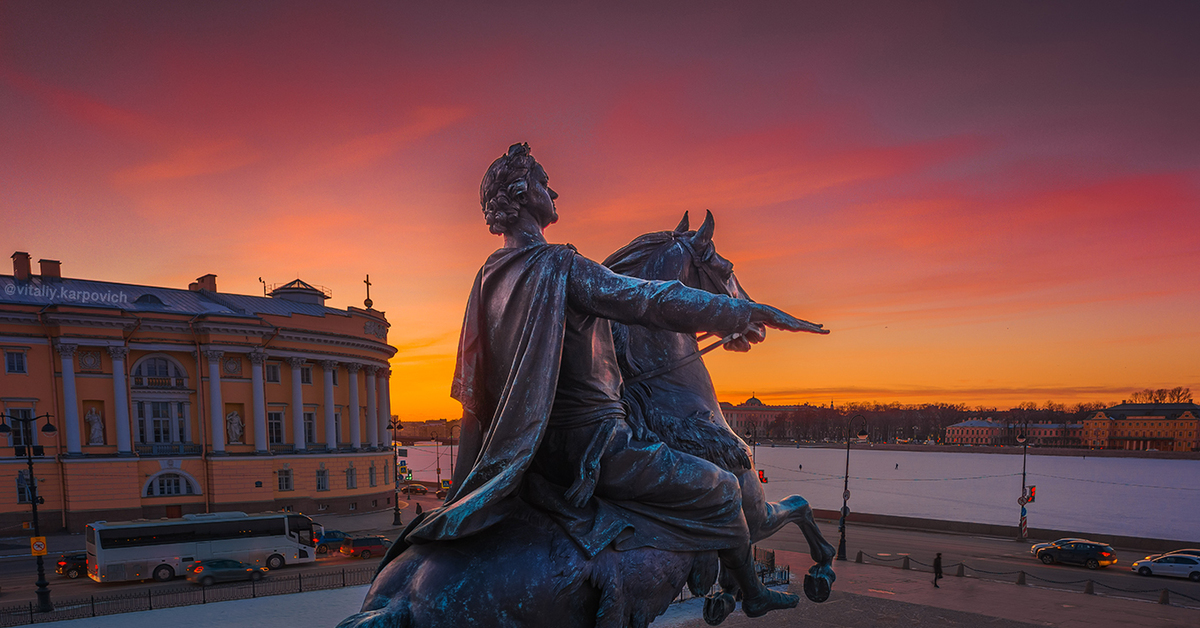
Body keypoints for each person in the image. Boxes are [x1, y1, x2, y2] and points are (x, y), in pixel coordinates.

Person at [406, 143, 824, 617]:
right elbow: (651, 301)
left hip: (533, 456)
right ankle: (753, 593)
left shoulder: (487, 279)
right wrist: (743, 311)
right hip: (597, 448)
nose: (554, 189)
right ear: (522, 194)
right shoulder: (560, 266)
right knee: (726, 490)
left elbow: (474, 391)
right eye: (544, 181)